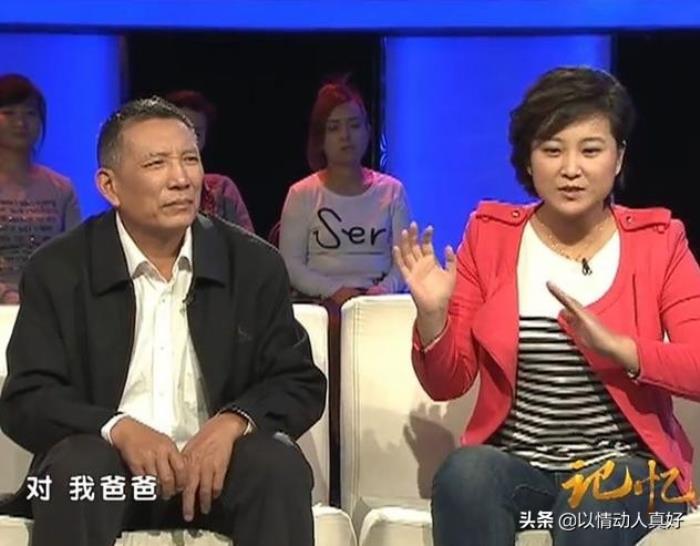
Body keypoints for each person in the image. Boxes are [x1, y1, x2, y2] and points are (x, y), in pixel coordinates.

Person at [0, 97, 326, 546]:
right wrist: (116, 428)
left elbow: (298, 380)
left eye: (190, 159)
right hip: (104, 476)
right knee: (78, 469)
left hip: (217, 475)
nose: (181, 179)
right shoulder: (59, 269)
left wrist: (234, 422)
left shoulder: (252, 265)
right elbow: (27, 397)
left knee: (277, 465)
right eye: (157, 163)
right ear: (110, 186)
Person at [395, 67, 700, 546]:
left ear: (618, 158)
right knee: (465, 473)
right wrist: (433, 316)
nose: (571, 168)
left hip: (630, 473)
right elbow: (448, 382)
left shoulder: (659, 242)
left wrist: (622, 349)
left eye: (590, 150)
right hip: (524, 469)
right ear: (528, 160)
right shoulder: (491, 237)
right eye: (552, 150)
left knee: (594, 496)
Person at [279, 79, 410, 308]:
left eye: (354, 125)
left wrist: (381, 291)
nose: (345, 136)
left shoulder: (393, 191)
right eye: (334, 128)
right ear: (320, 139)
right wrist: (334, 291)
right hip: (321, 303)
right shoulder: (301, 194)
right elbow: (291, 266)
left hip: (379, 302)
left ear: (368, 131)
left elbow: (404, 262)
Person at [0, 74, 81, 303]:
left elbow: (75, 255)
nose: (20, 122)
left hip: (49, 303)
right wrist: (7, 296)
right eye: (9, 113)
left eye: (30, 113)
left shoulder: (61, 187)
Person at [165, 89, 255, 232]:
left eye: (197, 134)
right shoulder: (147, 187)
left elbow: (247, 243)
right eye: (180, 132)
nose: (189, 142)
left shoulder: (222, 190)